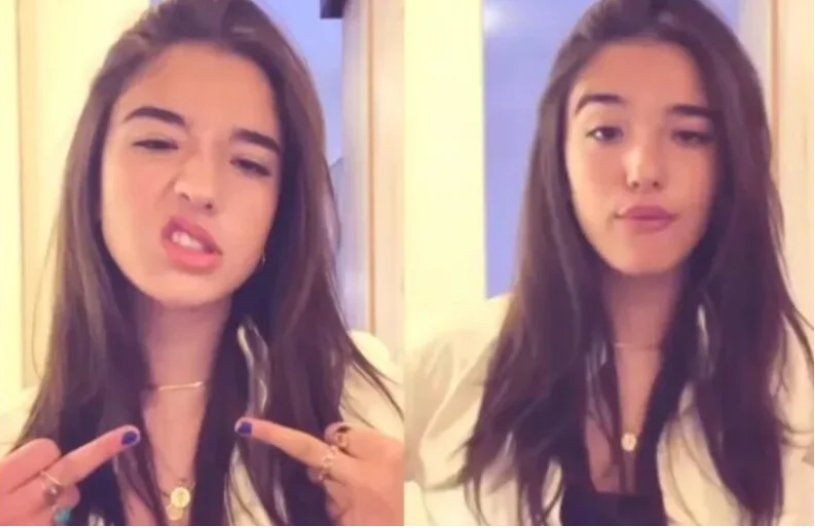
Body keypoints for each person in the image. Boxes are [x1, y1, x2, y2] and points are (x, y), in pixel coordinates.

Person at [405, 0, 813, 525]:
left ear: (732, 161)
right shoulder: (444, 372)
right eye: (606, 132)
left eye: (689, 135)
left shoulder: (796, 386)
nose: (643, 170)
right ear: (559, 153)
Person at [0, 0, 402, 525]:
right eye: (157, 142)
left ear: (279, 214)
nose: (201, 187)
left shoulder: (363, 408)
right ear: (93, 179)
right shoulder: (16, 448)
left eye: (248, 163)